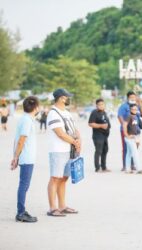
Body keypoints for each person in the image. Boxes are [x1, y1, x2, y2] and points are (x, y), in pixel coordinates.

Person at [46, 88, 81, 217]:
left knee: (63, 178)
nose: (68, 98)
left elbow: (75, 129)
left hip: (69, 150)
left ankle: (62, 206)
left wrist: (79, 141)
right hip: (58, 150)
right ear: (61, 98)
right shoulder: (53, 113)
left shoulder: (66, 112)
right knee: (55, 178)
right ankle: (52, 208)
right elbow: (60, 133)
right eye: (66, 96)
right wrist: (75, 142)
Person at [11, 96, 40, 223]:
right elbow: (21, 140)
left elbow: (18, 140)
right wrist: (16, 157)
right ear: (36, 107)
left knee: (24, 185)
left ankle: (21, 210)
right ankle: (20, 212)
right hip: (26, 157)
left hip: (26, 156)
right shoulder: (27, 120)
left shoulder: (26, 119)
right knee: (24, 185)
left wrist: (15, 156)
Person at [118, 91, 142, 171]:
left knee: (133, 150)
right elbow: (120, 117)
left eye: (134, 97)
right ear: (128, 98)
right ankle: (126, 166)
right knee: (126, 149)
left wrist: (140, 104)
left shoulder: (137, 106)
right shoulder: (124, 106)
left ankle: (131, 166)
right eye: (131, 97)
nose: (133, 99)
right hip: (127, 132)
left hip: (136, 132)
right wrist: (126, 130)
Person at [88, 98, 111, 173]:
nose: (101, 106)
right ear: (97, 105)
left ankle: (104, 167)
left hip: (105, 136)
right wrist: (101, 126)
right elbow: (90, 123)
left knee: (105, 150)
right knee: (98, 151)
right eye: (99, 104)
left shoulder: (104, 112)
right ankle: (97, 168)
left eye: (102, 104)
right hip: (98, 135)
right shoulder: (94, 112)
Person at [123, 104, 142, 174]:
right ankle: (139, 169)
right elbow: (124, 125)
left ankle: (127, 169)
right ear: (130, 109)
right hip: (129, 138)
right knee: (135, 153)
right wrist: (126, 135)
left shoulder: (136, 116)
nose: (134, 110)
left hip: (134, 137)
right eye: (133, 109)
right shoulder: (128, 116)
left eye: (136, 109)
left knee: (129, 153)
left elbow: (139, 126)